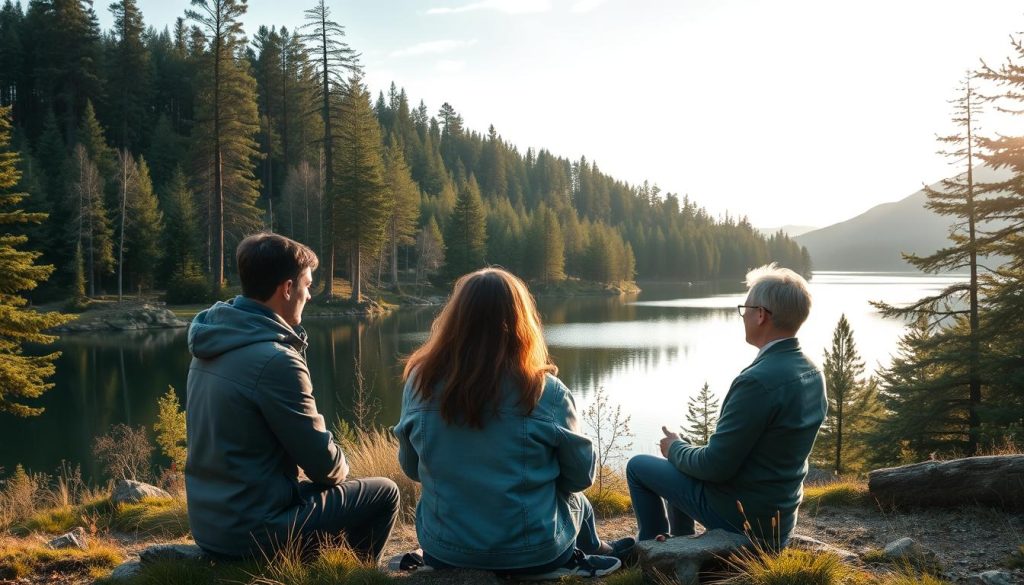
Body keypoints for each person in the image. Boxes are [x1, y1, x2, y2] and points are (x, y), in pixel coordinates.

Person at [393, 268, 633, 579]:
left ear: (454, 320)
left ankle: (594, 552)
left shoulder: (419, 383)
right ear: (521, 322)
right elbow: (579, 478)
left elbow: (412, 469)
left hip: (444, 550)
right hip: (534, 554)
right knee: (579, 503)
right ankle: (588, 556)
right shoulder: (547, 392)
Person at [185, 232, 399, 560]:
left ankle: (315, 568)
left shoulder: (211, 342)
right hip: (253, 533)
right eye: (308, 285)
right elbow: (324, 467)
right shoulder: (275, 360)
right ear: (287, 289)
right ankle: (350, 577)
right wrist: (344, 468)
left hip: (211, 525)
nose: (309, 296)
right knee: (384, 493)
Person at [626, 263, 826, 547]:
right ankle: (678, 542)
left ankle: (650, 549)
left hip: (743, 518)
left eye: (744, 310)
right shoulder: (811, 371)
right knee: (684, 460)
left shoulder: (757, 381)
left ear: (760, 316)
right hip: (777, 517)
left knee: (638, 466)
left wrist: (675, 448)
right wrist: (684, 453)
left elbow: (715, 467)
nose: (742, 317)